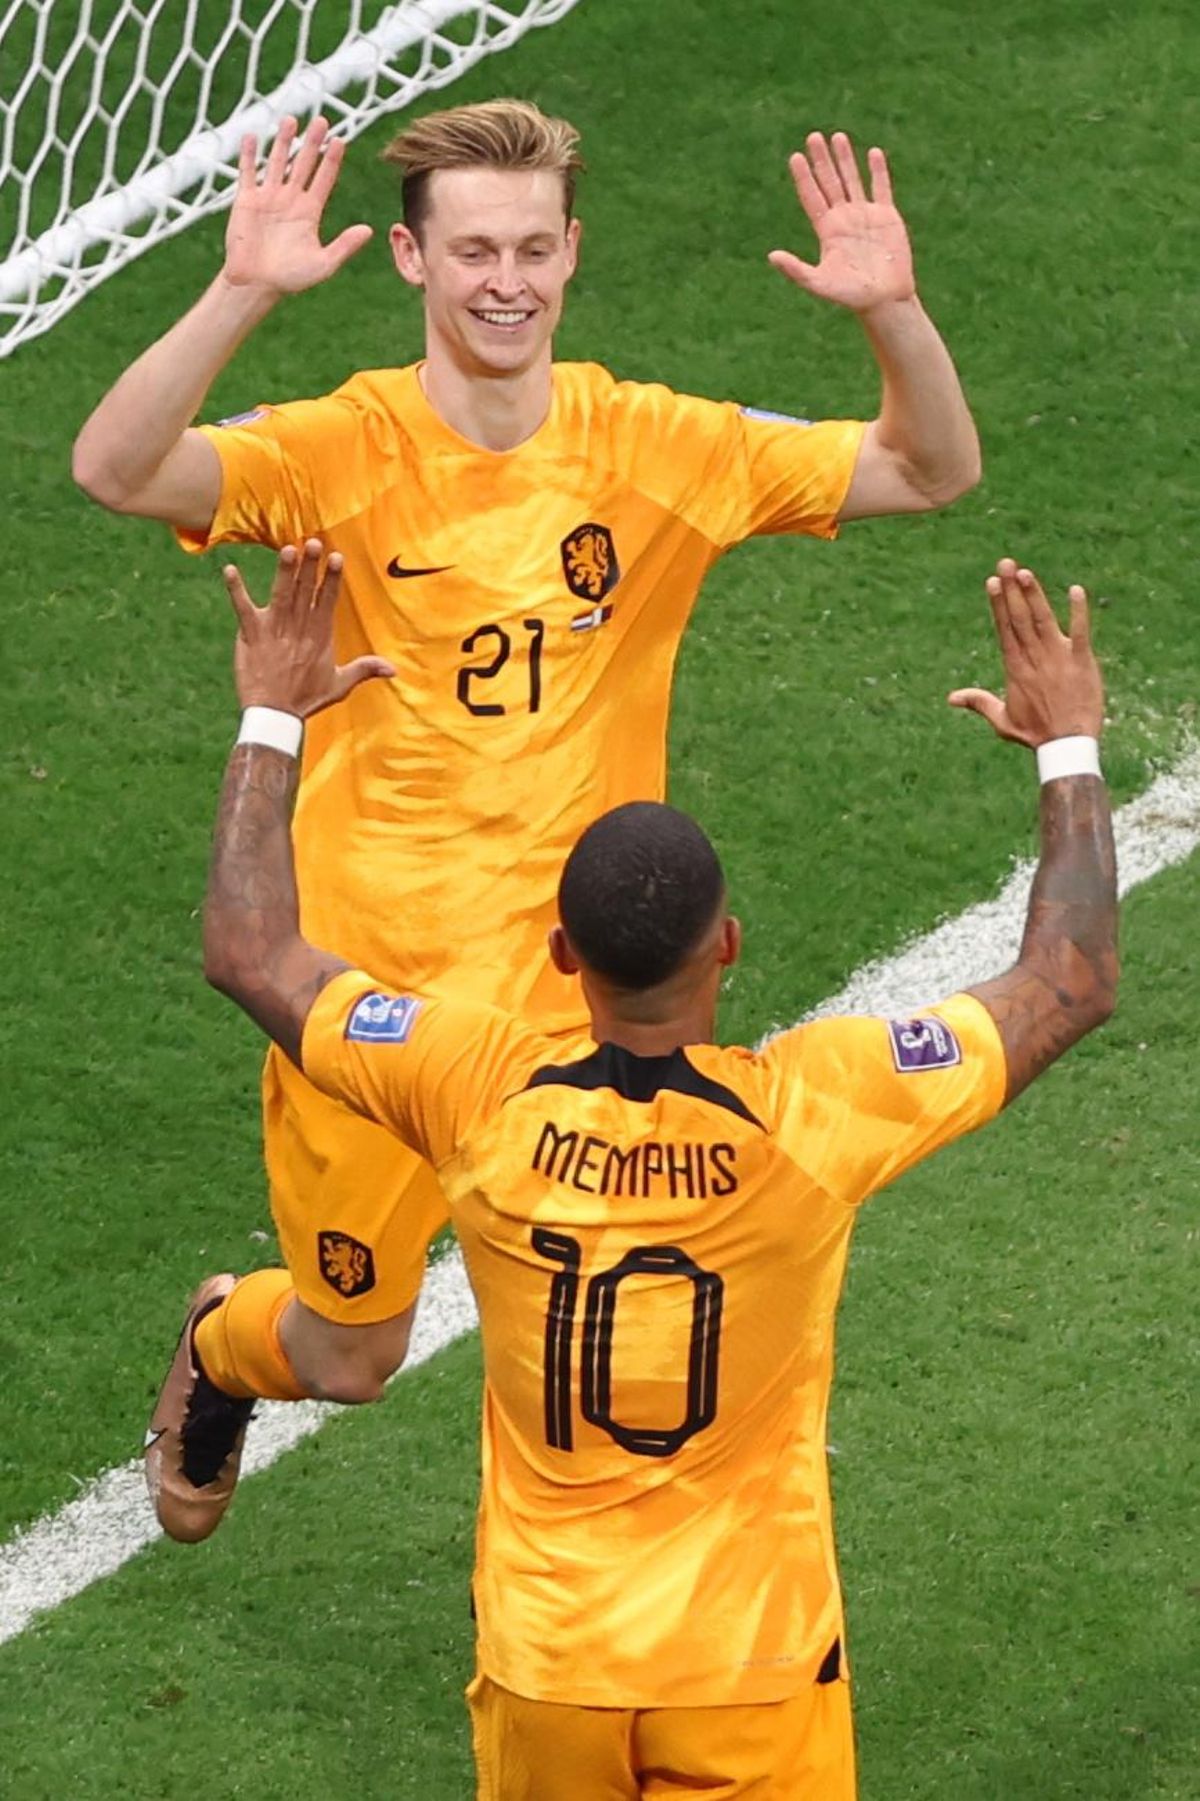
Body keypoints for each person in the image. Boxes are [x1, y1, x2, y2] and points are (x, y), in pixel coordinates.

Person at [74, 99, 981, 1540]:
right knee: (351, 1354)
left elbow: (933, 469)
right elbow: (116, 468)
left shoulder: (657, 444)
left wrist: (897, 314)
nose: (508, 280)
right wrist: (242, 285)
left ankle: (613, 1636)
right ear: (415, 265)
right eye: (476, 249)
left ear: (573, 255)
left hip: (583, 998)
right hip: (366, 991)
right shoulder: (340, 448)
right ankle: (222, 1340)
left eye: (535, 248)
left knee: (611, 1315)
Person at [171, 542, 1115, 1797]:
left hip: (549, 1661)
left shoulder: (474, 1090)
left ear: (561, 953)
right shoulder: (813, 1111)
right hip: (753, 1665)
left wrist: (271, 712)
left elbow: (249, 948)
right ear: (727, 944)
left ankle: (226, 1338)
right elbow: (1069, 979)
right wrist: (1069, 746)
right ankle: (225, 1342)